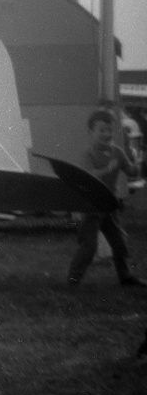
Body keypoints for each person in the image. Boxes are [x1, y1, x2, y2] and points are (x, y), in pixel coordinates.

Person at [67, 108, 144, 287]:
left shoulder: (117, 152)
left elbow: (131, 171)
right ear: (91, 132)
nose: (106, 134)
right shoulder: (88, 153)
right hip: (90, 206)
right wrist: (108, 169)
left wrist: (135, 160)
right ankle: (73, 279)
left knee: (119, 243)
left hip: (109, 205)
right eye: (101, 130)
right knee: (88, 246)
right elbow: (89, 175)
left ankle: (125, 276)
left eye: (110, 130)